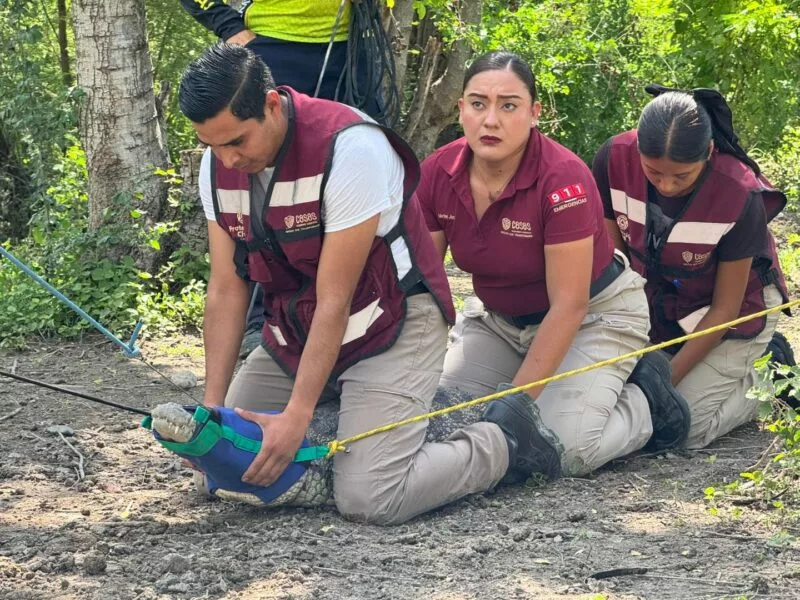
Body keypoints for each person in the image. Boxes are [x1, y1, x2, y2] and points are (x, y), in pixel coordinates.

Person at [177, 43, 562, 524]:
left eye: (237, 141)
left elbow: (335, 297)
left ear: (272, 104)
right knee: (217, 469)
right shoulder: (218, 165)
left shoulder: (351, 147)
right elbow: (226, 289)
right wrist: (211, 413)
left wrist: (296, 417)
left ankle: (503, 442)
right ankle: (351, 419)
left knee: (370, 498)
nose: (228, 158)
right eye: (212, 145)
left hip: (391, 323)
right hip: (296, 331)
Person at [414, 50, 691, 480]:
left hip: (594, 315)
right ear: (461, 108)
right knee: (446, 416)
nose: (491, 120)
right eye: (477, 103)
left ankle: (645, 402)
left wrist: (519, 399)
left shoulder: (564, 178)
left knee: (563, 447)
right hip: (500, 323)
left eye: (509, 105)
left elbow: (569, 304)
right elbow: (424, 286)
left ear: (534, 113)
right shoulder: (436, 172)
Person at [180, 0, 387, 357]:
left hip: (355, 44)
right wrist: (225, 23)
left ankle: (377, 308)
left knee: (370, 168)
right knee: (264, 181)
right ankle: (263, 322)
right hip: (274, 44)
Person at [592, 86, 793, 449]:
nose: (666, 185)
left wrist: (663, 381)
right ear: (637, 149)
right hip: (666, 298)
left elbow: (726, 309)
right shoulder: (612, 158)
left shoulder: (738, 192)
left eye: (681, 176)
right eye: (653, 172)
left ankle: (771, 370)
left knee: (685, 426)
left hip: (738, 309)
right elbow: (616, 265)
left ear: (709, 153)